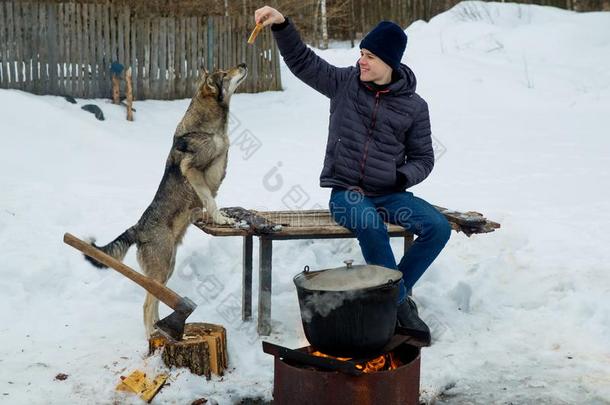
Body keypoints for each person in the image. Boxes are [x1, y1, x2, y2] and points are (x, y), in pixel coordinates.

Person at [254, 6, 451, 345]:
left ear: (390, 63)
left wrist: (400, 178)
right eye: (361, 52)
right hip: (347, 193)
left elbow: (423, 158)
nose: (361, 60)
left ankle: (392, 298)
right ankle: (399, 303)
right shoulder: (345, 83)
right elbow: (303, 62)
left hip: (390, 193)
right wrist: (282, 25)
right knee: (371, 224)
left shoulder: (414, 106)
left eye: (370, 56)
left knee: (438, 227)